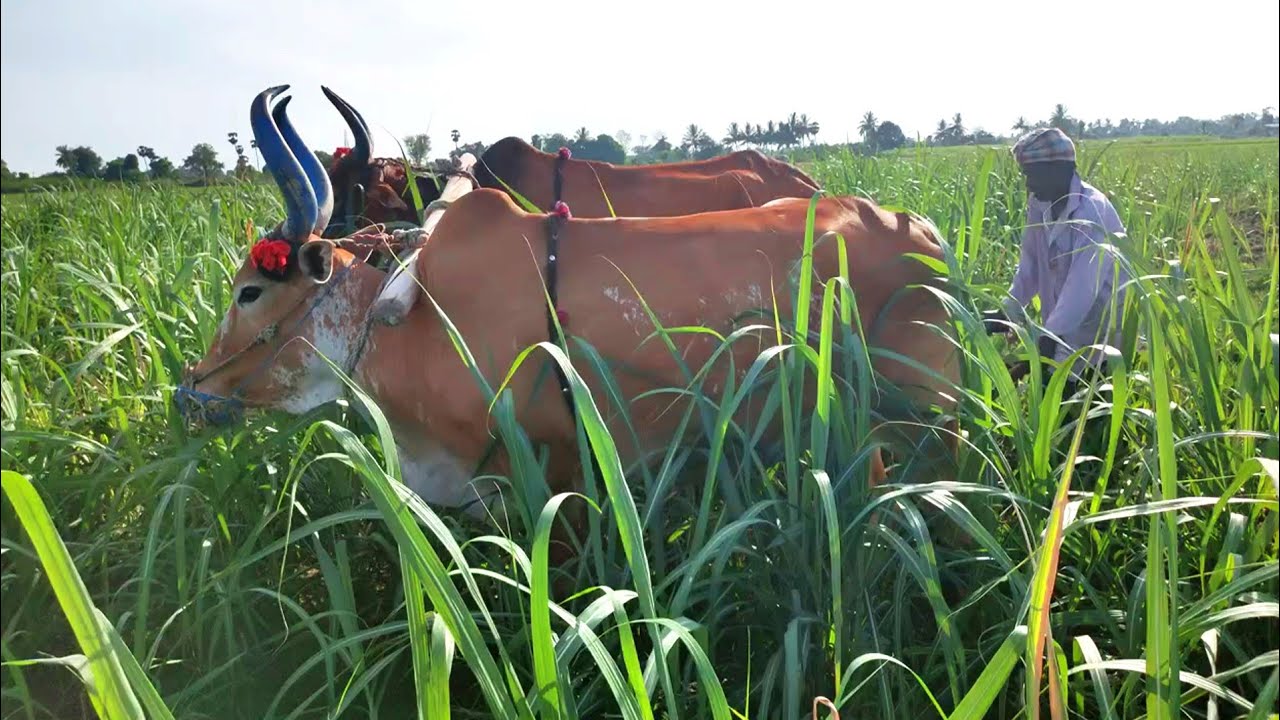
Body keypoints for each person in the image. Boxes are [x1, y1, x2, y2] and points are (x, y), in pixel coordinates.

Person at [984, 127, 1129, 393]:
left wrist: (1046, 341)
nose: (1028, 184)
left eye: (1032, 176)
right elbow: (1030, 264)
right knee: (1054, 384)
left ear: (1060, 170)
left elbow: (1082, 289)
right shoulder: (1040, 203)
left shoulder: (1090, 211)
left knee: (1086, 392)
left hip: (1097, 320)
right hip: (1062, 319)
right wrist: (1008, 312)